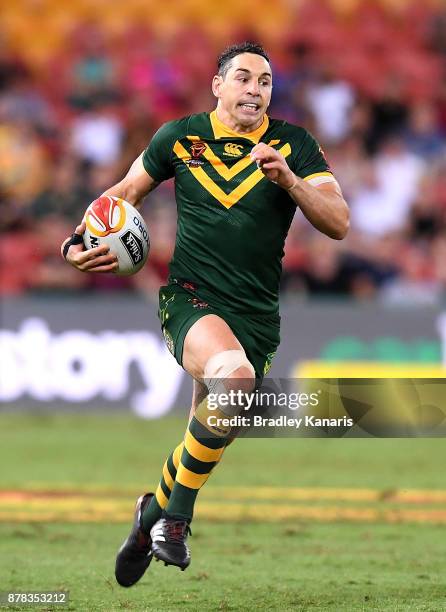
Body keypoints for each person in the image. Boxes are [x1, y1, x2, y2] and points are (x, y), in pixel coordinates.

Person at [61, 41, 349, 586]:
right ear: (217, 85)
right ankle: (177, 522)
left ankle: (150, 516)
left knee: (215, 428)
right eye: (242, 78)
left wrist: (290, 180)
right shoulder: (179, 137)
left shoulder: (294, 145)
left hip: (258, 314)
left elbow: (338, 222)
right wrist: (74, 243)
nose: (255, 90)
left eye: (265, 82)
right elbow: (122, 195)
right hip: (190, 299)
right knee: (236, 383)